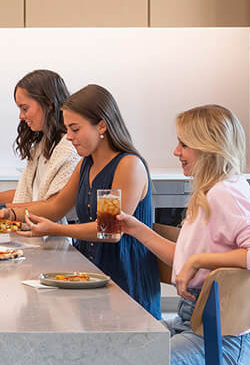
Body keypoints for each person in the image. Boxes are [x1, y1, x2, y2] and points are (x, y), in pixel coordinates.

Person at [113, 106, 250, 365]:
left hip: (222, 343)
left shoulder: (227, 192)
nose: (176, 152)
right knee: (108, 351)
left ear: (208, 147)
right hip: (191, 325)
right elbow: (184, 258)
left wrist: (198, 261)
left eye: (184, 144)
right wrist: (137, 229)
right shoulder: (211, 192)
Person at [22, 85, 161, 318]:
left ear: (102, 126)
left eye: (75, 129)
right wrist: (9, 212)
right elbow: (55, 206)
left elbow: (109, 230)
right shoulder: (86, 164)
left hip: (124, 285)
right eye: (67, 129)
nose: (69, 136)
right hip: (91, 277)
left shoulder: (127, 165)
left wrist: (55, 229)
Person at [0, 69, 80, 221]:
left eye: (25, 108)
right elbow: (27, 195)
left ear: (48, 104)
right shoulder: (42, 145)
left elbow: (52, 207)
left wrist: (5, 209)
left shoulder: (68, 148)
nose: (21, 116)